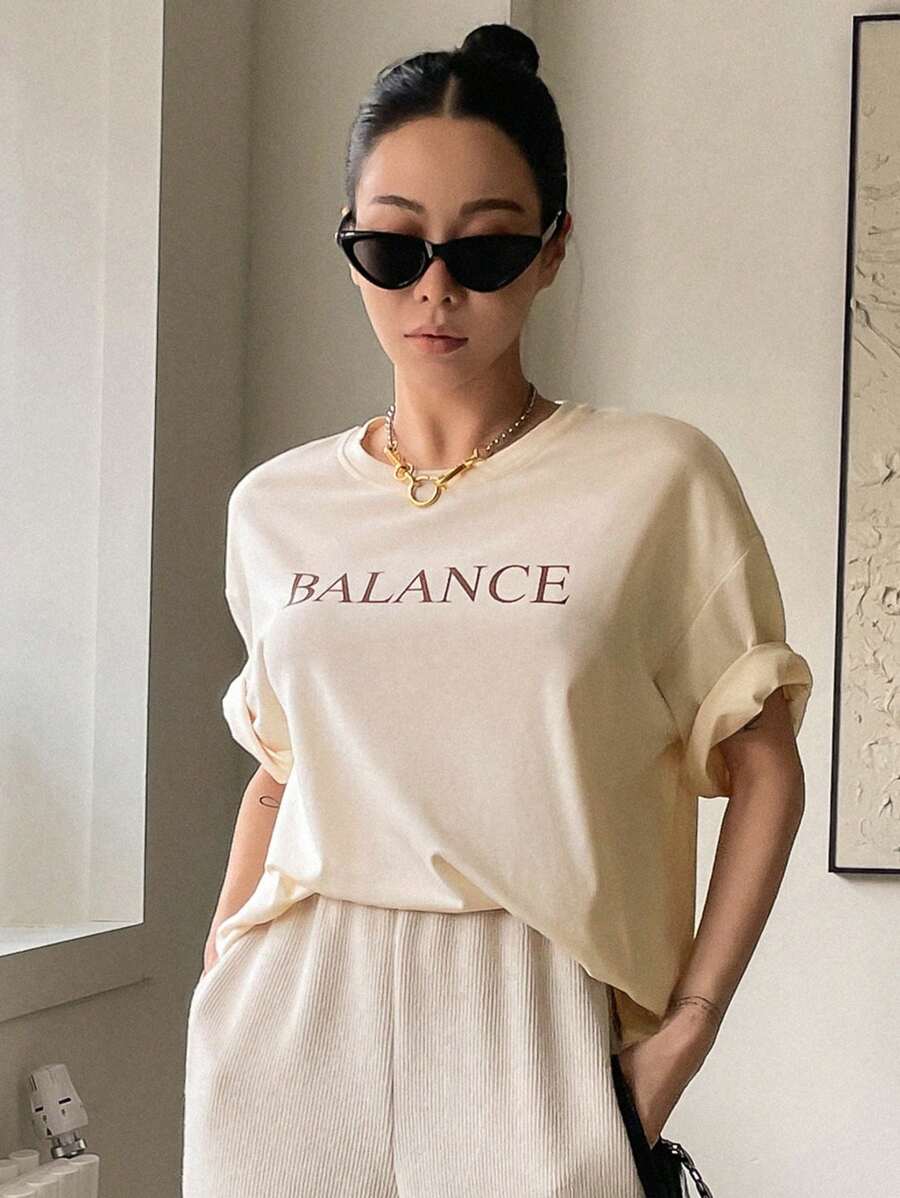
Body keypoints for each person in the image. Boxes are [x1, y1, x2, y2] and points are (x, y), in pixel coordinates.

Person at [181, 22, 813, 1198]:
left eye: (485, 249)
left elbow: (765, 764)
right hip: (289, 1019)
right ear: (349, 243)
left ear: (553, 248)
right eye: (393, 245)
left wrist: (685, 1030)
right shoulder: (276, 506)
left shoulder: (653, 480)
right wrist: (221, 960)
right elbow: (282, 769)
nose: (434, 288)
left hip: (530, 1007)